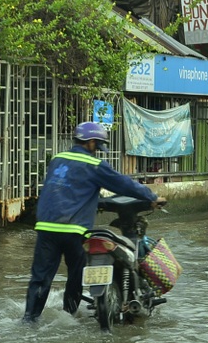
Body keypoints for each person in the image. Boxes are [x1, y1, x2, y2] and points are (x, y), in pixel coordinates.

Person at [23, 121, 166, 323]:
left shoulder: (57, 160)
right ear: (90, 142)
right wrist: (151, 196)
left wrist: (94, 201)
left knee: (40, 277)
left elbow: (66, 189)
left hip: (46, 227)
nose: (97, 150)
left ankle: (29, 319)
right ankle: (68, 317)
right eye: (97, 145)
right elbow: (123, 183)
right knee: (75, 277)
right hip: (75, 231)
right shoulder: (94, 165)